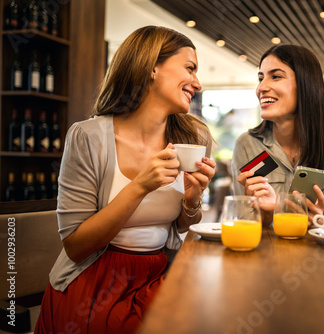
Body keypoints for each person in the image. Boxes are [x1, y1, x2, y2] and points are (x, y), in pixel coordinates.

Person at [35, 26, 215, 333]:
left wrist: (192, 200)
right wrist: (140, 187)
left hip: (159, 273)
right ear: (151, 68)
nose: (197, 83)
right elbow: (76, 247)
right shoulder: (88, 137)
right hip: (95, 280)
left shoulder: (191, 138)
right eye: (190, 68)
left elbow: (181, 226)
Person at [231, 44, 324, 226]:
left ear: (306, 85)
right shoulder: (246, 145)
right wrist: (268, 215)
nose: (261, 87)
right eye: (260, 78)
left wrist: (320, 225)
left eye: (276, 77)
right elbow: (243, 223)